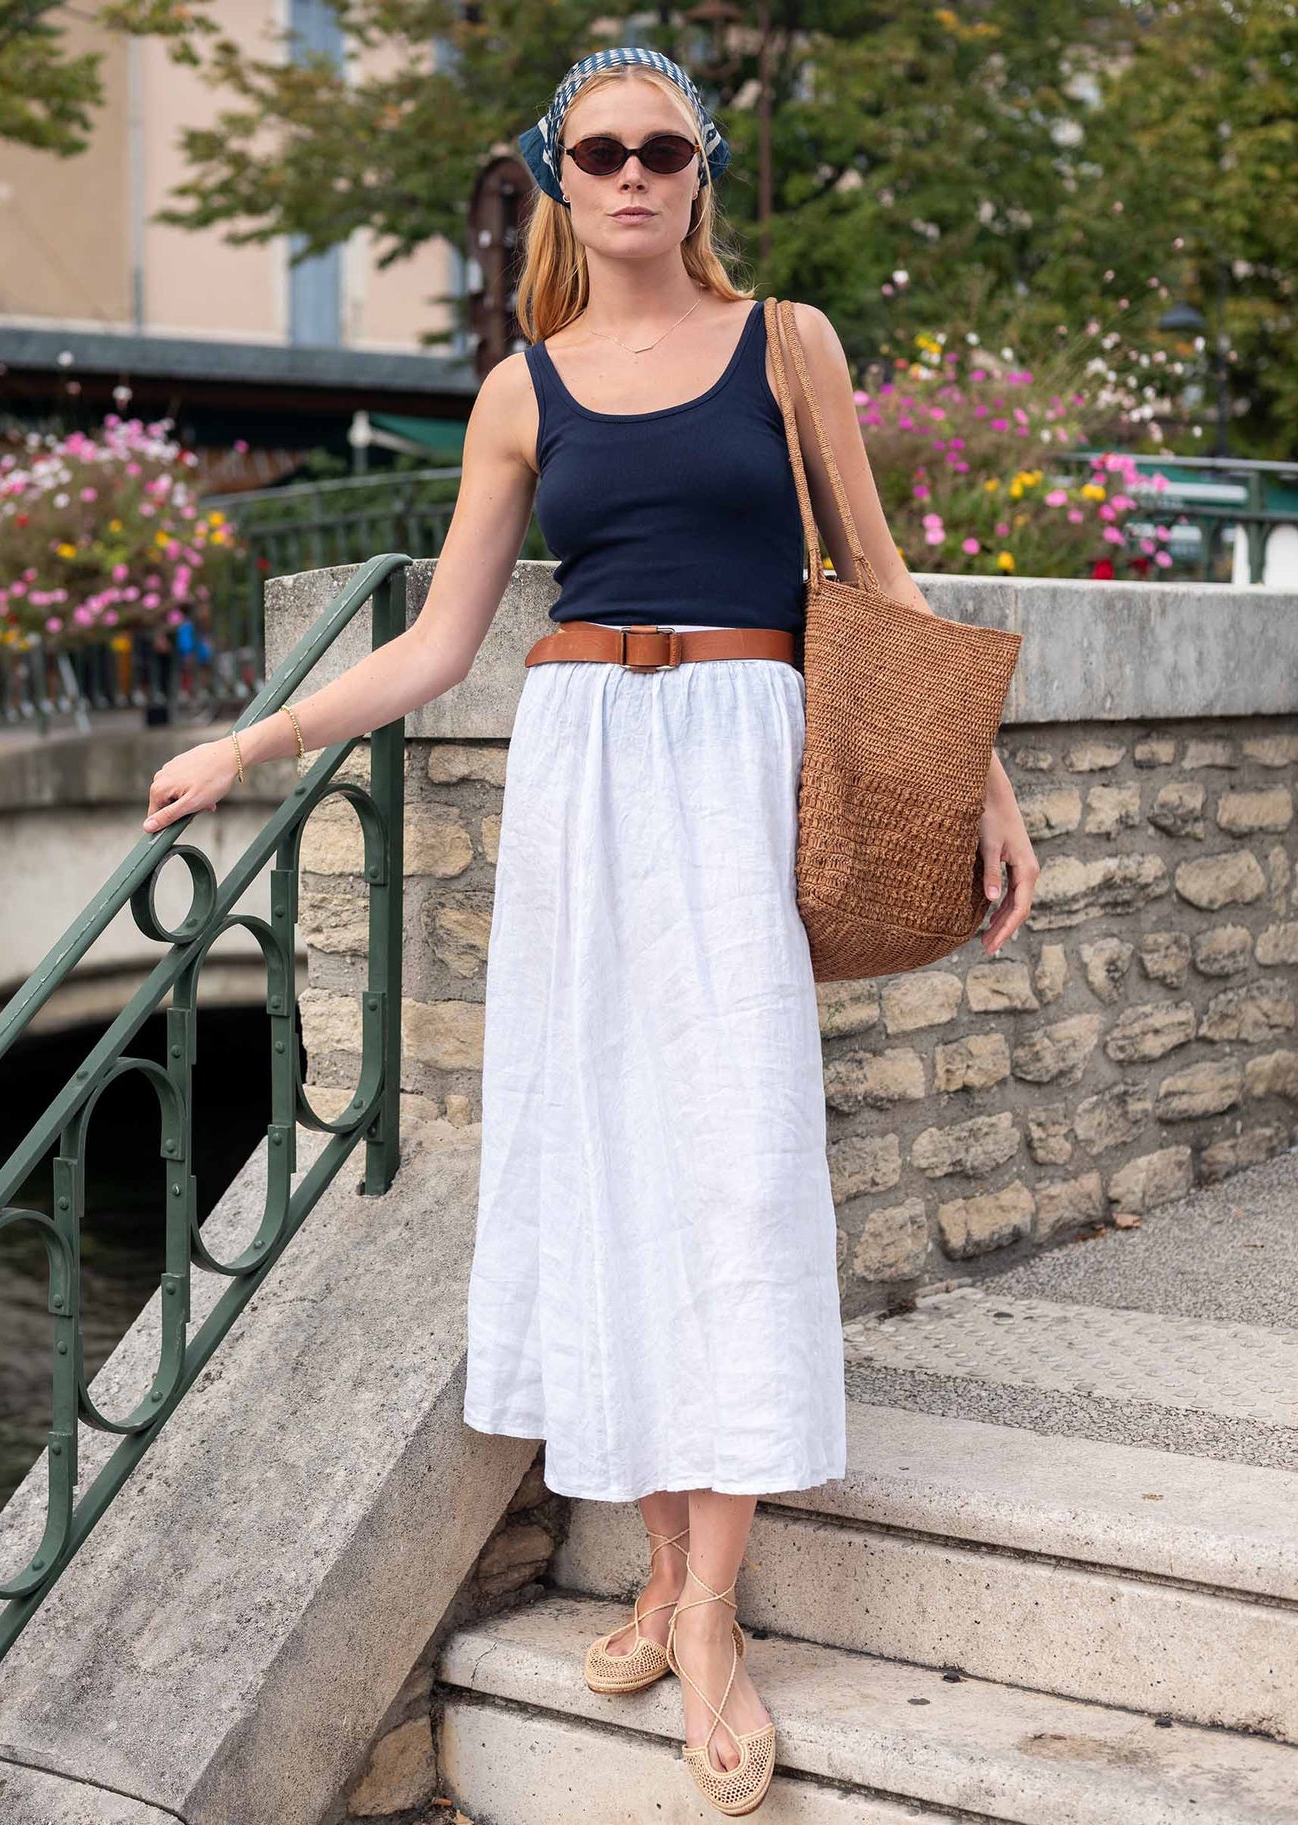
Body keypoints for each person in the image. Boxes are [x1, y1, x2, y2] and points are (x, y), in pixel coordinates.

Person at [141, 45, 1039, 1818]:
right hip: (582, 777)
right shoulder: (516, 391)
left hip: (736, 758)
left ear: (701, 170)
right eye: (595, 152)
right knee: (610, 1163)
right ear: (558, 175)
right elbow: (434, 642)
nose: (630, 175)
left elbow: (875, 575)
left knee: (738, 1163)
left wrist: (979, 782)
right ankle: (651, 1564)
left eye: (662, 149)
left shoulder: (787, 344)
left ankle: (708, 1611)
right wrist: (249, 740)